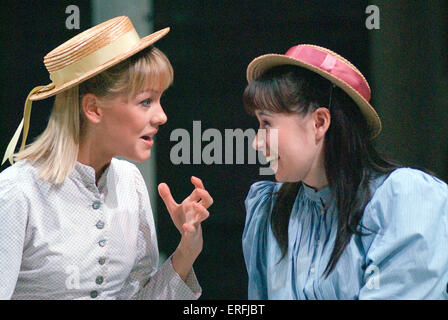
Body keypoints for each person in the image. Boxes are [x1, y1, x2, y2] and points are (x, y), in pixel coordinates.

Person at [0, 16, 213, 299]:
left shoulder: (129, 182)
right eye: (146, 101)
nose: (162, 116)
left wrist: (187, 249)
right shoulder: (17, 192)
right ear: (94, 109)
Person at [242, 44, 448, 299]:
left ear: (319, 123)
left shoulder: (406, 200)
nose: (257, 142)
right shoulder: (270, 212)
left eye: (267, 123)